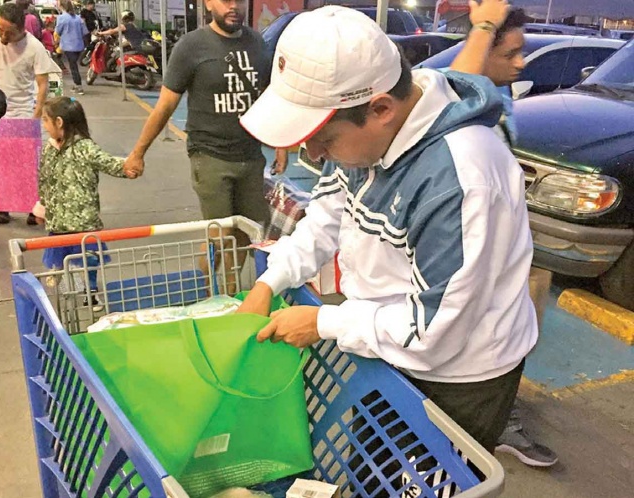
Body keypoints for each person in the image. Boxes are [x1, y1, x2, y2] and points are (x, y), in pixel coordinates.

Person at [237, 4, 538, 456]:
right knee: (373, 466)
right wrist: (271, 280)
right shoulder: (371, 139)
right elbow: (328, 214)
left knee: (421, 478)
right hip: (385, 343)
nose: (313, 154)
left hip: (454, 378)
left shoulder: (461, 181)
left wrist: (324, 320)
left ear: (380, 108)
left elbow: (434, 332)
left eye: (324, 139)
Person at [449, 0, 559, 468]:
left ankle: (502, 412)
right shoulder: (460, 103)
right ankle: (490, 429)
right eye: (510, 52)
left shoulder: (500, 97)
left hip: (511, 242)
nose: (520, 63)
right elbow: (450, 90)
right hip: (476, 258)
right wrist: (485, 25)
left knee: (519, 328)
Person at [122, 0, 286, 290]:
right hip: (209, 156)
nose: (233, 7)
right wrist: (138, 153)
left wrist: (282, 143)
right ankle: (201, 291)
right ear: (208, 3)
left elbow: (266, 96)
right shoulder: (191, 46)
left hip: (250, 156)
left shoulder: (257, 44)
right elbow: (165, 106)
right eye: (225, 1)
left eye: (238, 1)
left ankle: (231, 292)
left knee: (249, 232)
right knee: (218, 235)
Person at [38, 96, 129, 308]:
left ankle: (91, 291)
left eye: (45, 120)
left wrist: (130, 166)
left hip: (84, 220)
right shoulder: (48, 149)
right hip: (58, 218)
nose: (44, 125)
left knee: (89, 260)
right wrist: (42, 204)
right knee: (59, 252)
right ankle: (59, 274)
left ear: (59, 122)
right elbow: (43, 178)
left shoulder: (86, 147)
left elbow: (109, 163)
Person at [0, 2, 57, 225]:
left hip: (23, 113)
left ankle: (32, 209)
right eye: (0, 28)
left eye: (8, 31)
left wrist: (37, 115)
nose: (2, 34)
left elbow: (43, 84)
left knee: (27, 166)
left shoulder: (35, 47)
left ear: (22, 28)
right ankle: (3, 208)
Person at [56, 0, 88, 95]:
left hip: (68, 45)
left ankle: (79, 86)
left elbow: (58, 31)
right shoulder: (79, 18)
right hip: (79, 45)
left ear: (62, 6)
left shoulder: (61, 18)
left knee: (73, 66)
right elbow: (85, 32)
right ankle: (76, 84)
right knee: (74, 65)